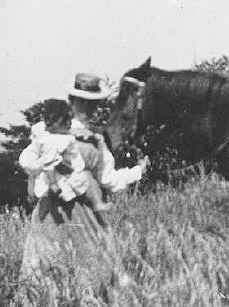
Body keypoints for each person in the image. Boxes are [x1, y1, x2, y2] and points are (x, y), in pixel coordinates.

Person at [18, 73, 148, 299]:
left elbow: (32, 177)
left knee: (42, 287)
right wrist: (139, 171)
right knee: (89, 286)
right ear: (96, 106)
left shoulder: (42, 135)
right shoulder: (95, 141)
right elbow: (111, 182)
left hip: (48, 216)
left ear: (71, 101)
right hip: (84, 220)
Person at [19, 99, 112, 211]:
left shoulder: (66, 135)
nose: (69, 124)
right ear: (52, 122)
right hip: (50, 176)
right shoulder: (43, 139)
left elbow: (79, 135)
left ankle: (97, 203)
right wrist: (44, 164)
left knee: (87, 180)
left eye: (69, 121)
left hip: (69, 173)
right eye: (64, 122)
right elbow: (29, 160)